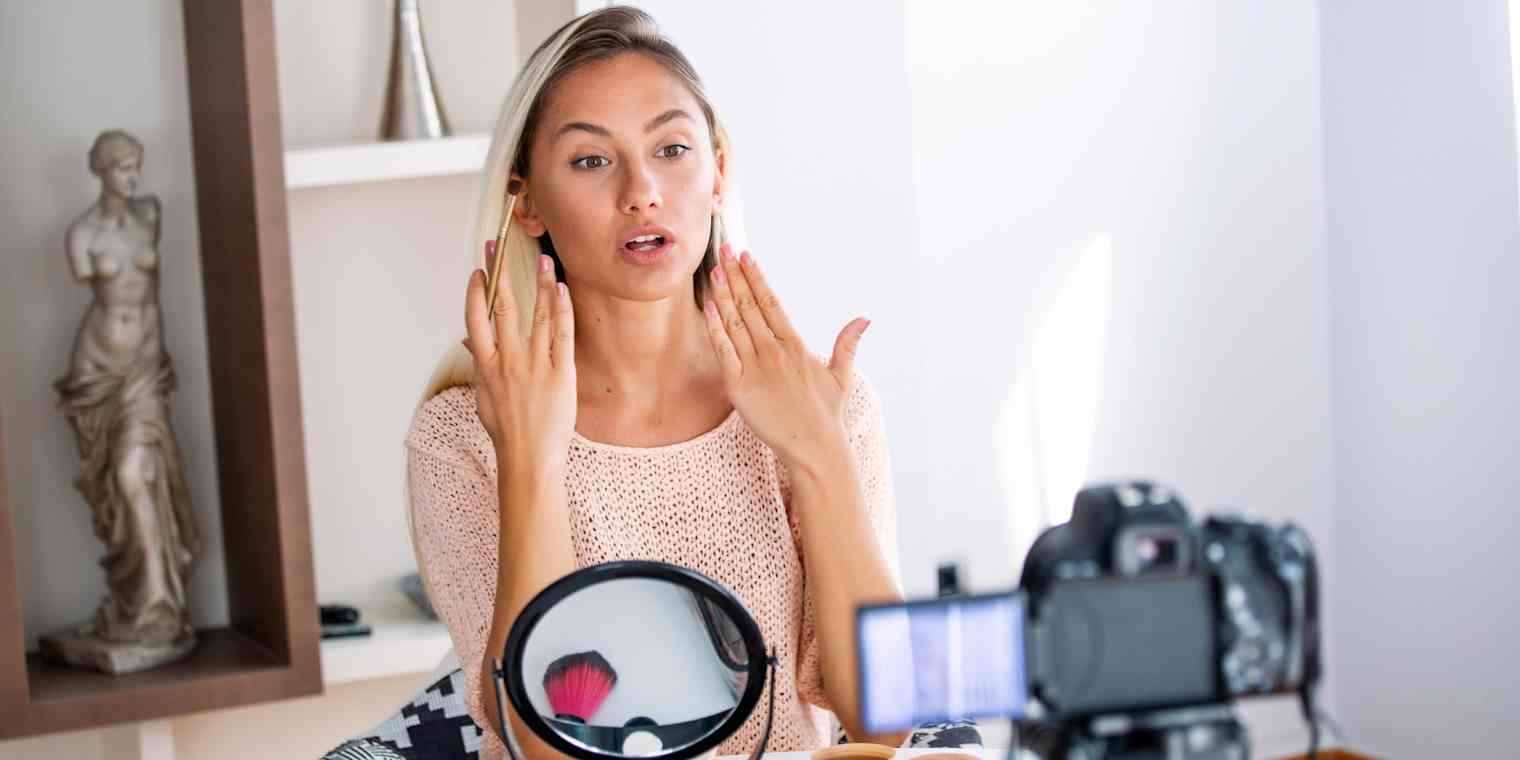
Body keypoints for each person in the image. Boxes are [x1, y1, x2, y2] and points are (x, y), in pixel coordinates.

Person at [404, 7, 904, 758]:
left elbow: (888, 720)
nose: (642, 190)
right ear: (526, 200)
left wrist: (820, 456)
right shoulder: (463, 435)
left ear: (718, 172)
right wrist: (532, 461)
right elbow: (542, 751)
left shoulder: (821, 404)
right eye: (590, 161)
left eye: (672, 148)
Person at [54, 129, 199, 650]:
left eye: (137, 165)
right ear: (100, 170)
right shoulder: (81, 235)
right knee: (114, 488)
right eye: (122, 167)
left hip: (143, 372)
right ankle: (142, 600)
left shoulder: (150, 215)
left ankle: (160, 602)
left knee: (135, 471)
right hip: (97, 373)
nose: (133, 176)